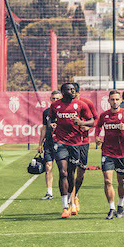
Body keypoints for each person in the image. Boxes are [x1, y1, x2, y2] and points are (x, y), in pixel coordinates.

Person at [50, 82, 96, 218]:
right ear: (63, 92)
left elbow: (92, 121)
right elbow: (50, 119)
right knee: (62, 172)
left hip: (76, 143)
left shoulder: (81, 104)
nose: (72, 91)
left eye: (73, 89)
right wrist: (51, 124)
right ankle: (65, 206)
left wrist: (82, 123)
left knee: (71, 174)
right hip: (60, 142)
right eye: (68, 89)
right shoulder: (55, 105)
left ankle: (72, 199)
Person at [94, 89, 124, 219]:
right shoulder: (104, 115)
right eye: (112, 99)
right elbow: (98, 127)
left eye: (117, 99)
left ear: (120, 100)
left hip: (122, 153)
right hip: (107, 152)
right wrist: (97, 137)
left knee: (121, 181)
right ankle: (111, 208)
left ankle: (120, 204)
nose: (115, 101)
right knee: (108, 180)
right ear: (108, 101)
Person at [38, 90, 60, 199]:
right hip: (49, 143)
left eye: (57, 98)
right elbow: (44, 128)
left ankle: (67, 192)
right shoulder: (46, 112)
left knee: (63, 170)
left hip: (61, 144)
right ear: (50, 99)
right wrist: (40, 144)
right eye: (53, 98)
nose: (55, 100)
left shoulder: (65, 111)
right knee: (48, 166)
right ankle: (49, 192)